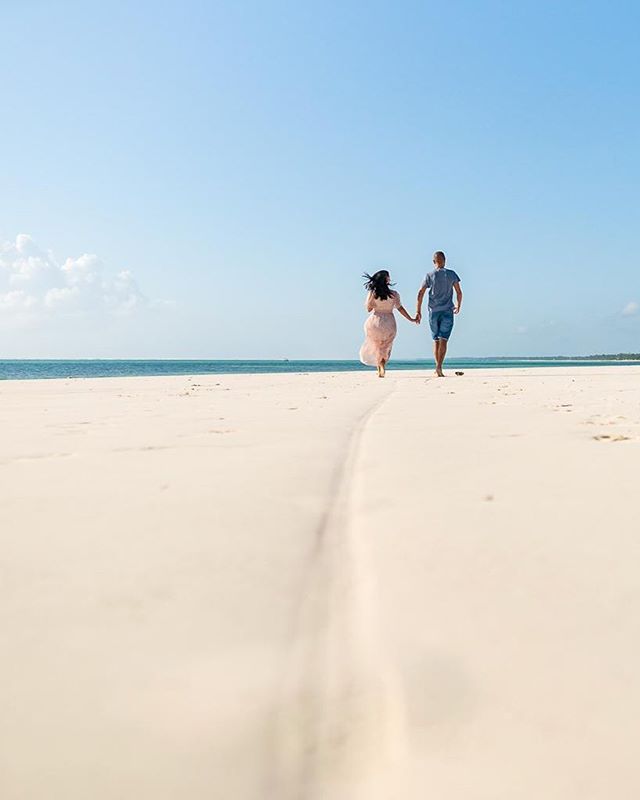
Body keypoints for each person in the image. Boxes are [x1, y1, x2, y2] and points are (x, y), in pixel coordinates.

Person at [360, 270, 417, 377]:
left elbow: (368, 308)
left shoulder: (373, 293)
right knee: (386, 346)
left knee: (376, 346)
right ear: (386, 279)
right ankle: (382, 365)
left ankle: (379, 369)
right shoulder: (394, 294)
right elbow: (400, 308)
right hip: (389, 322)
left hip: (375, 321)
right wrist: (411, 319)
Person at [416, 251, 462, 377]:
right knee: (444, 340)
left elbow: (420, 293)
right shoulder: (452, 274)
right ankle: (439, 367)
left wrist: (418, 311)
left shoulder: (429, 275)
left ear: (433, 261)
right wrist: (458, 305)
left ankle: (437, 367)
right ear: (445, 260)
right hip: (448, 310)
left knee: (435, 340)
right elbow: (459, 292)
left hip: (433, 311)